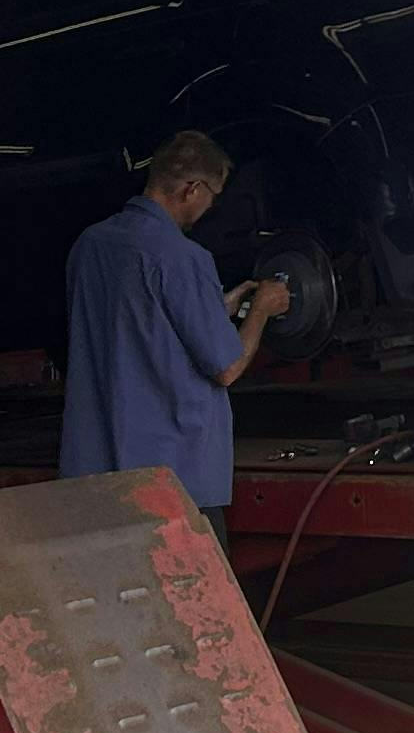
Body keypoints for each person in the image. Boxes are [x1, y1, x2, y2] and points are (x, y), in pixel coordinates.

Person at [56, 129, 288, 518]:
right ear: (192, 189)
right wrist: (261, 309)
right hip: (172, 479)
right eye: (212, 197)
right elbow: (226, 368)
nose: (209, 208)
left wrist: (218, 307)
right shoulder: (182, 257)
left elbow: (134, 319)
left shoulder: (90, 245)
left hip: (97, 469)